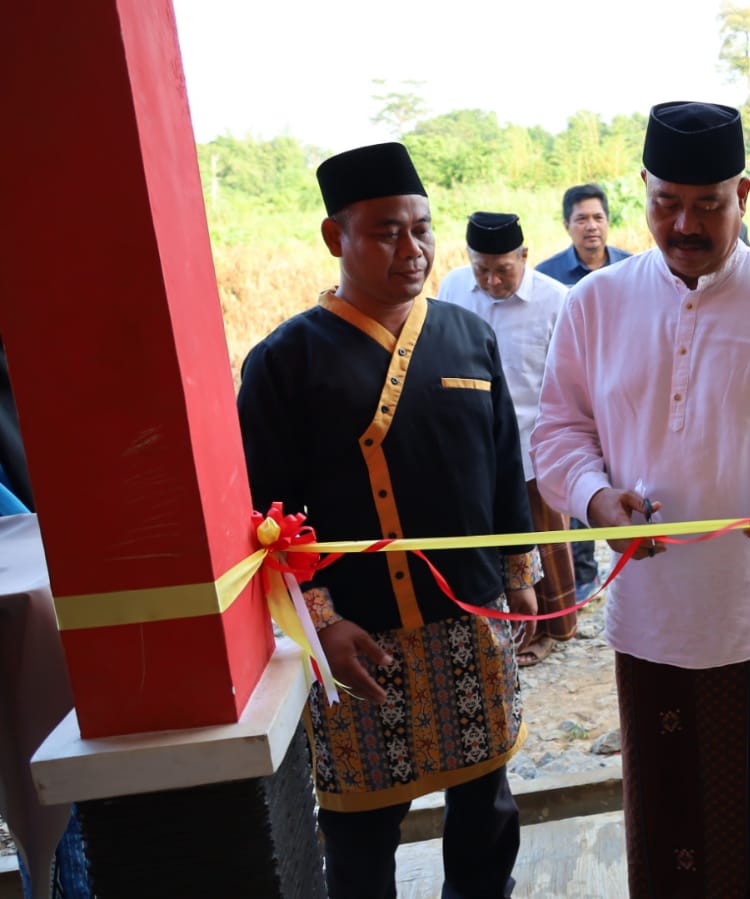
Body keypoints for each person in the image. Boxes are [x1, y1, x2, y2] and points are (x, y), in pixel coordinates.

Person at [533, 101, 750, 897]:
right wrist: (593, 498)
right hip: (654, 614)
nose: (684, 223)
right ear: (643, 191)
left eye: (708, 204)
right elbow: (558, 433)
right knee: (676, 828)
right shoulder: (594, 304)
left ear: (744, 194)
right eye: (665, 203)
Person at [236, 142, 537, 899]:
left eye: (423, 228)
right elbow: (262, 513)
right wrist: (322, 621)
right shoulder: (284, 361)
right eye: (385, 231)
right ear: (336, 237)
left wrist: (517, 576)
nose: (413, 249)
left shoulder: (468, 336)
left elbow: (503, 464)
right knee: (360, 832)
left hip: (468, 622)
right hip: (357, 641)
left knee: (487, 812)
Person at [438, 210, 577, 665]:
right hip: (470, 448)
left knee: (537, 541)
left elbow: (571, 379)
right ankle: (492, 628)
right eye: (483, 269)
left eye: (504, 269)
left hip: (533, 446)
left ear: (525, 256)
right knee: (482, 541)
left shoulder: (557, 299)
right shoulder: (454, 288)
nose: (493, 280)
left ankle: (542, 632)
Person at [533, 183, 632, 601]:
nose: (590, 227)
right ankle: (585, 574)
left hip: (623, 393)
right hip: (576, 393)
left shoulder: (635, 270)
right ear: (567, 225)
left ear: (608, 222)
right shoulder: (548, 276)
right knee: (583, 480)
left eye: (597, 218)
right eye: (581, 219)